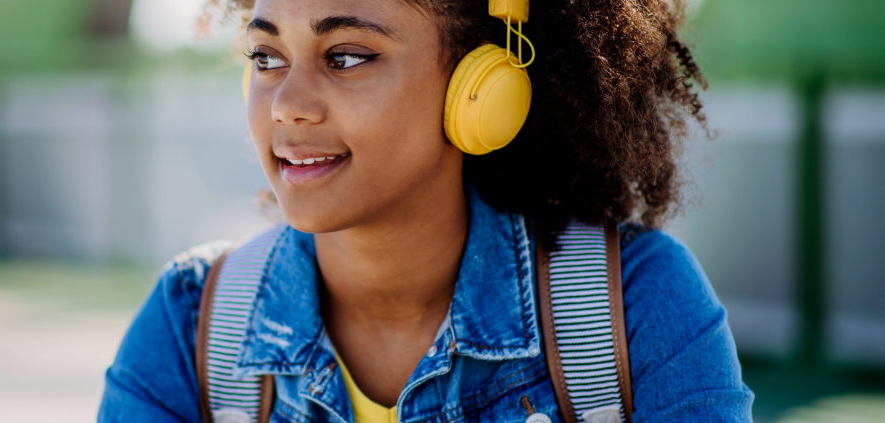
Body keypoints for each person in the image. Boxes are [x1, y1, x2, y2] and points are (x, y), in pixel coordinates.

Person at [99, 0, 754, 421]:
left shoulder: (634, 304)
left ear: (484, 89)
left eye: (346, 56)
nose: (286, 104)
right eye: (267, 58)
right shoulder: (191, 325)